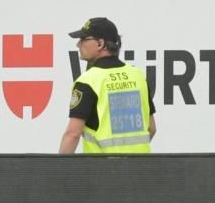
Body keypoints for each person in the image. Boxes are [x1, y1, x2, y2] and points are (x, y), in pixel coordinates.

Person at [60, 17, 156, 153]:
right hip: (139, 170)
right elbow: (151, 128)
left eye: (83, 39)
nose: (78, 44)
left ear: (100, 44)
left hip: (102, 171)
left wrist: (58, 171)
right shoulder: (137, 76)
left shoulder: (88, 81)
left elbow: (72, 134)